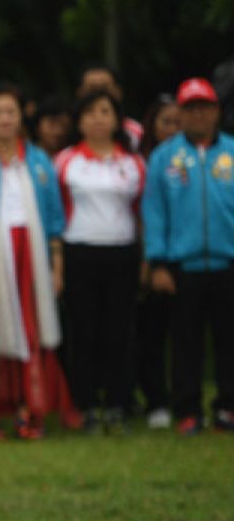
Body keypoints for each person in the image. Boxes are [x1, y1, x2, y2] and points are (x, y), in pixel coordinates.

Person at [0, 85, 74, 441]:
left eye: (11, 112)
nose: (5, 119)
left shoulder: (37, 162)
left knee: (32, 330)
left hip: (31, 256)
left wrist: (56, 266)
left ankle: (29, 410)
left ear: (21, 118)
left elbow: (54, 218)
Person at [143, 77, 234, 435]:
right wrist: (159, 263)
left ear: (216, 112)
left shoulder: (231, 152)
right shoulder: (165, 159)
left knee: (229, 340)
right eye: (191, 109)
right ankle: (188, 410)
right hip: (183, 265)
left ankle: (227, 407)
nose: (198, 115)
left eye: (205, 108)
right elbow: (154, 213)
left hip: (228, 262)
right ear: (180, 114)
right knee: (185, 343)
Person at [54, 90, 145, 434]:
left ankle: (119, 404)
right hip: (80, 251)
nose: (98, 119)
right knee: (84, 331)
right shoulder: (65, 161)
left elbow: (140, 213)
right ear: (79, 121)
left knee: (119, 331)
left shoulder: (132, 163)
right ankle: (87, 404)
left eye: (105, 112)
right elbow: (56, 210)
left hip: (121, 252)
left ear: (116, 120)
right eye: (90, 112)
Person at [134, 94, 179, 429]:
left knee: (186, 335)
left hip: (191, 258)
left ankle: (185, 399)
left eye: (179, 122)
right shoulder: (142, 163)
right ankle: (155, 399)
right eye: (166, 122)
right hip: (151, 257)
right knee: (151, 333)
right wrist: (150, 260)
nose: (174, 129)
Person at [78, 64, 144, 149]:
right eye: (92, 89)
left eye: (104, 89)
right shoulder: (63, 130)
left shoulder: (137, 133)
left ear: (118, 92)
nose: (98, 95)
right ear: (80, 93)